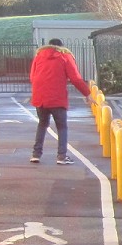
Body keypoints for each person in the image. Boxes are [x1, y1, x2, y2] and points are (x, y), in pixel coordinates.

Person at [28, 37, 90, 165]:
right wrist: (87, 93)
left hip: (40, 98)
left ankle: (36, 154)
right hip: (57, 98)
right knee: (62, 127)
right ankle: (62, 156)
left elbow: (32, 77)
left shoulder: (39, 57)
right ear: (62, 46)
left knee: (42, 124)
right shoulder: (65, 57)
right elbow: (75, 78)